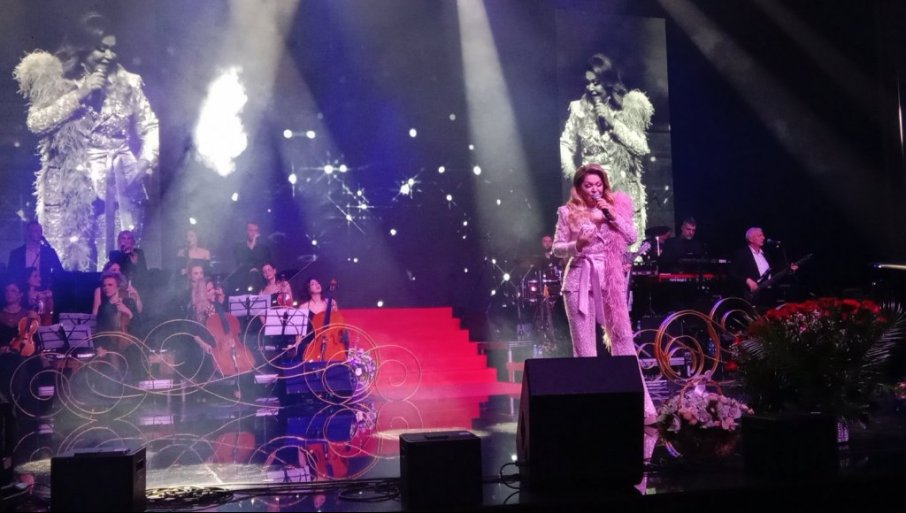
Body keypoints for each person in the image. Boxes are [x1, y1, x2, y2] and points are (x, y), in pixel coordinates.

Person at [13, 12, 159, 271]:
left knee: (116, 258)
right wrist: (81, 94)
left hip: (120, 180)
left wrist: (145, 161)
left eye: (113, 49)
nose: (109, 56)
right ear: (84, 47)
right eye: (101, 49)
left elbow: (149, 125)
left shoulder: (129, 83)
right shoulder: (62, 82)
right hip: (73, 183)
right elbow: (36, 123)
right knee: (68, 259)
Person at [552, 163, 657, 424]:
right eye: (588, 185)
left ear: (604, 186)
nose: (594, 190)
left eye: (598, 185)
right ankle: (589, 412)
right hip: (579, 280)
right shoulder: (567, 212)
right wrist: (577, 244)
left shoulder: (614, 208)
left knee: (623, 341)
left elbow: (631, 236)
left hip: (611, 280)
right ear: (579, 188)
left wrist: (611, 215)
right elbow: (556, 248)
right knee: (585, 349)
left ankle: (643, 407)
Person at [560, 53, 653, 246]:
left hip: (622, 194)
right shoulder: (578, 109)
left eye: (596, 83)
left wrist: (612, 123)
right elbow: (566, 144)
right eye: (588, 83)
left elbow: (642, 148)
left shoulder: (626, 108)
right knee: (593, 251)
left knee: (624, 252)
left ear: (608, 81)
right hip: (592, 196)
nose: (591, 88)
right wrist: (575, 176)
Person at [729, 227, 797, 303]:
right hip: (752, 297)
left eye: (763, 235)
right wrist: (747, 280)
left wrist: (788, 269)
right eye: (760, 235)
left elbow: (772, 272)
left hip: (769, 295)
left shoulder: (765, 254)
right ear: (751, 239)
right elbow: (732, 273)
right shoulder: (741, 254)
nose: (763, 238)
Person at [6, 220, 63, 288]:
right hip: (23, 290)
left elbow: (59, 271)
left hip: (44, 289)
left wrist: (50, 282)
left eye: (40, 231)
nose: (39, 233)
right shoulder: (16, 254)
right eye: (35, 231)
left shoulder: (49, 252)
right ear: (28, 233)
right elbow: (11, 275)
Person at [231, 221, 272, 294]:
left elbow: (265, 265)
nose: (253, 233)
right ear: (246, 231)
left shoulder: (264, 249)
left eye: (255, 231)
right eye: (251, 230)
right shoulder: (239, 247)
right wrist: (252, 244)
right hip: (243, 282)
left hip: (260, 283)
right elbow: (242, 261)